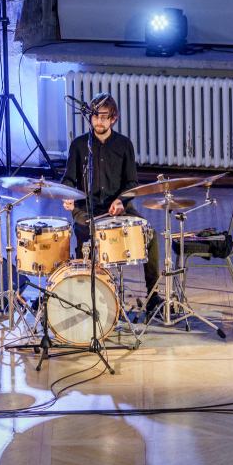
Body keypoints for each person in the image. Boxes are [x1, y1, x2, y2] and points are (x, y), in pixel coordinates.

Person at [61, 93, 162, 317]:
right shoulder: (79, 145)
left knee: (150, 235)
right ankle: (85, 295)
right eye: (95, 116)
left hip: (118, 208)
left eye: (104, 116)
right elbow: (68, 179)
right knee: (85, 239)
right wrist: (67, 195)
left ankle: (153, 295)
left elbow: (132, 183)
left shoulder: (124, 145)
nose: (98, 121)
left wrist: (121, 201)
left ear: (113, 118)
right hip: (86, 209)